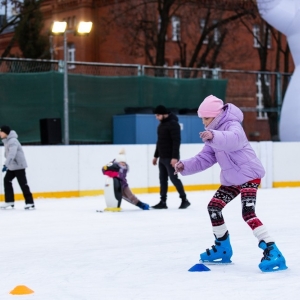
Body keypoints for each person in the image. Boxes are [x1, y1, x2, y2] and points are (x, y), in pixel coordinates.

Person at [174, 95, 287, 272]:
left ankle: (272, 250)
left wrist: (214, 135)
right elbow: (205, 158)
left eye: (206, 118)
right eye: (202, 119)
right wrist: (184, 166)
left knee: (248, 213)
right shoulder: (212, 134)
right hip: (232, 179)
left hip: (249, 175)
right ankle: (223, 248)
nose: (204, 123)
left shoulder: (233, 126)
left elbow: (232, 140)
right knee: (214, 207)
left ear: (217, 116)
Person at [152, 105, 190, 209]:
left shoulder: (174, 124)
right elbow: (159, 142)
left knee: (174, 178)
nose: (156, 117)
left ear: (164, 114)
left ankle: (184, 200)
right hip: (162, 158)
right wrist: (156, 156)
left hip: (171, 158)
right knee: (162, 179)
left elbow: (176, 141)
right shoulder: (160, 126)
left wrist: (174, 158)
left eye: (158, 115)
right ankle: (163, 201)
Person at [0, 125, 35, 210]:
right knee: (7, 180)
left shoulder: (12, 141)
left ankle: (30, 202)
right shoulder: (6, 141)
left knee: (23, 184)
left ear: (5, 132)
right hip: (13, 166)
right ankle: (9, 201)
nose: (0, 133)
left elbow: (12, 154)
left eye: (1, 131)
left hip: (19, 166)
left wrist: (6, 165)